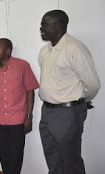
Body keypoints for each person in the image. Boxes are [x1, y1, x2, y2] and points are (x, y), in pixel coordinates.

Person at [38, 10, 101, 174]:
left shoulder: (75, 48)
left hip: (67, 112)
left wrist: (80, 101)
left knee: (71, 162)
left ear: (58, 26)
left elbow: (93, 84)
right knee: (53, 159)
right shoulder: (45, 51)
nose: (41, 28)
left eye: (45, 24)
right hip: (47, 112)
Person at [0, 38, 39, 174]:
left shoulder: (22, 66)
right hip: (0, 121)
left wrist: (29, 116)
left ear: (8, 51)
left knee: (16, 158)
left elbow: (30, 91)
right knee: (3, 156)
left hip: (17, 120)